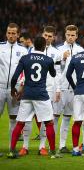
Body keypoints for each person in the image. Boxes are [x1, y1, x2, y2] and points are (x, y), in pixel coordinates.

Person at [7, 37, 61, 159]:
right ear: (44, 47)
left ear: (34, 46)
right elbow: (53, 74)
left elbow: (15, 77)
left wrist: (12, 89)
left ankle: (12, 151)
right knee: (49, 123)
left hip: (27, 95)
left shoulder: (25, 58)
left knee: (20, 123)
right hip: (41, 94)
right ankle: (52, 152)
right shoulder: (48, 60)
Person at [19, 26, 63, 156]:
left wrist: (58, 89)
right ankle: (25, 146)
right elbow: (25, 70)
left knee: (46, 119)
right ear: (42, 35)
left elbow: (58, 73)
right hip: (31, 88)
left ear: (54, 37)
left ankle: (42, 146)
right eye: (45, 35)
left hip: (48, 89)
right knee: (28, 118)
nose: (47, 38)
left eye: (50, 36)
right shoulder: (31, 50)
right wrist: (22, 84)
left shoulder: (57, 53)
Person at [0, 23, 27, 156]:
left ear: (18, 34)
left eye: (13, 33)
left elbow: (25, 71)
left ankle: (12, 148)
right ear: (6, 33)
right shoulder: (0, 47)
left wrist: (21, 87)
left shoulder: (23, 50)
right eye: (9, 33)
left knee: (14, 118)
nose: (11, 35)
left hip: (15, 88)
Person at [56, 25, 84, 153]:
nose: (70, 37)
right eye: (68, 35)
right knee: (54, 117)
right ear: (65, 35)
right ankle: (46, 145)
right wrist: (62, 58)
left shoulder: (81, 50)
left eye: (73, 35)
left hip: (74, 89)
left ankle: (62, 146)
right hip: (60, 88)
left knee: (67, 117)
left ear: (77, 36)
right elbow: (53, 70)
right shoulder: (58, 50)